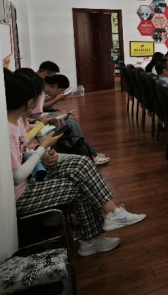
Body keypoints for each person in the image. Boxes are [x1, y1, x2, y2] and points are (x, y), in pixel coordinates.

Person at [4, 69, 146, 257]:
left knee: (82, 163)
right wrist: (42, 148)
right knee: (81, 185)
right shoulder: (7, 130)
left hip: (31, 176)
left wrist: (44, 155)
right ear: (30, 101)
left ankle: (112, 214)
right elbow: (17, 176)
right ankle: (92, 239)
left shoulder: (17, 122)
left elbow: (23, 151)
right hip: (21, 194)